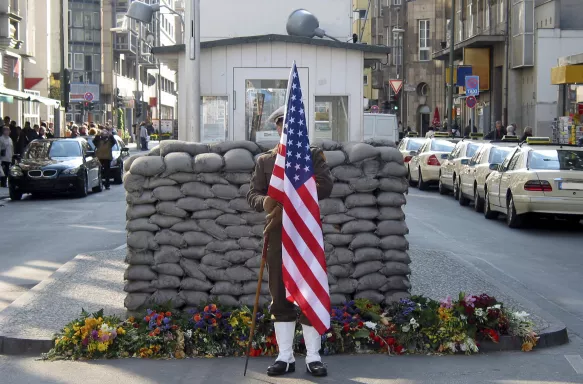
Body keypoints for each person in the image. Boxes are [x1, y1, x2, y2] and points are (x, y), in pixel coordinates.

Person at [247, 105, 333, 378]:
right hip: (277, 235)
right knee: (279, 296)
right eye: (283, 124)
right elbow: (253, 195)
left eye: (293, 124)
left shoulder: (312, 156)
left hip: (305, 236)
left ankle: (313, 356)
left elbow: (326, 186)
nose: (288, 128)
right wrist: (266, 201)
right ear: (278, 128)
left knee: (309, 292)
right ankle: (285, 357)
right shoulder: (265, 161)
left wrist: (296, 192)